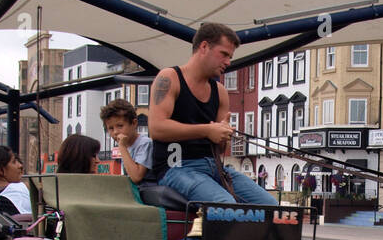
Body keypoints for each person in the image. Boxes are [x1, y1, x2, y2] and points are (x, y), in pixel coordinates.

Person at [149, 22, 275, 206]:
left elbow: (219, 147)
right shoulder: (169, 77)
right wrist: (208, 130)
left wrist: (223, 136)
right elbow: (157, 128)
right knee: (224, 207)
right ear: (204, 46)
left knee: (271, 207)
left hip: (214, 168)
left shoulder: (220, 91)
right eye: (224, 54)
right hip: (175, 167)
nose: (228, 62)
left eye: (230, 57)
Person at [101, 100, 153, 184]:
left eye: (120, 126)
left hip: (147, 192)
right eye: (111, 128)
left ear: (134, 123)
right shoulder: (126, 146)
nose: (115, 132)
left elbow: (136, 177)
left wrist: (122, 147)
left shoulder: (145, 143)